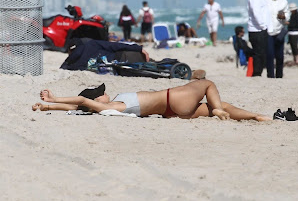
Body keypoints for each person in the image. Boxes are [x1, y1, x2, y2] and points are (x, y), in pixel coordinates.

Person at [32, 80, 272, 121]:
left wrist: (49, 106)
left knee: (219, 108)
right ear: (99, 97)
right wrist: (54, 98)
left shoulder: (106, 106)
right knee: (207, 84)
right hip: (171, 97)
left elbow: (79, 106)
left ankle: (255, 116)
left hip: (172, 112)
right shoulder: (110, 104)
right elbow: (83, 101)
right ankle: (219, 110)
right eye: (101, 92)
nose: (105, 93)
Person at [247, 0, 273, 77]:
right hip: (257, 29)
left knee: (261, 53)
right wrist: (263, 25)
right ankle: (256, 74)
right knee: (258, 53)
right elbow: (256, 10)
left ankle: (258, 73)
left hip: (261, 29)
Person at [265, 0, 289, 78]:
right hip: (268, 31)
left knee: (280, 56)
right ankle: (270, 75)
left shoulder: (283, 1)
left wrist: (284, 17)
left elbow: (287, 14)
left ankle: (279, 76)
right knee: (270, 54)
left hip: (279, 31)